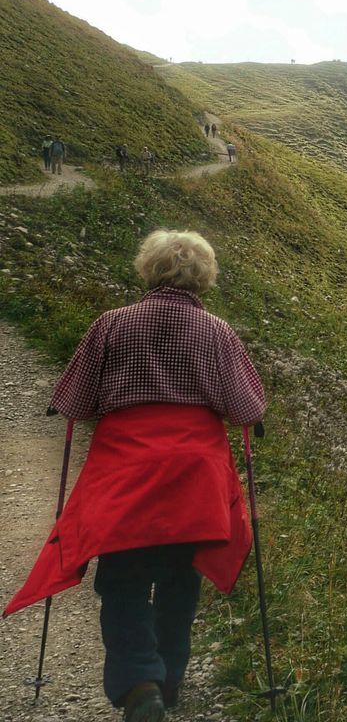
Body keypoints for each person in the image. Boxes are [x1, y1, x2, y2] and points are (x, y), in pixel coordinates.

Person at [3, 230, 267, 721]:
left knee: (123, 580)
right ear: (204, 278)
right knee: (179, 581)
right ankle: (169, 682)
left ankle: (140, 681)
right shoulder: (219, 333)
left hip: (127, 471)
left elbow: (75, 404)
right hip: (194, 477)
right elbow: (246, 408)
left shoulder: (111, 325)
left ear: (148, 270)